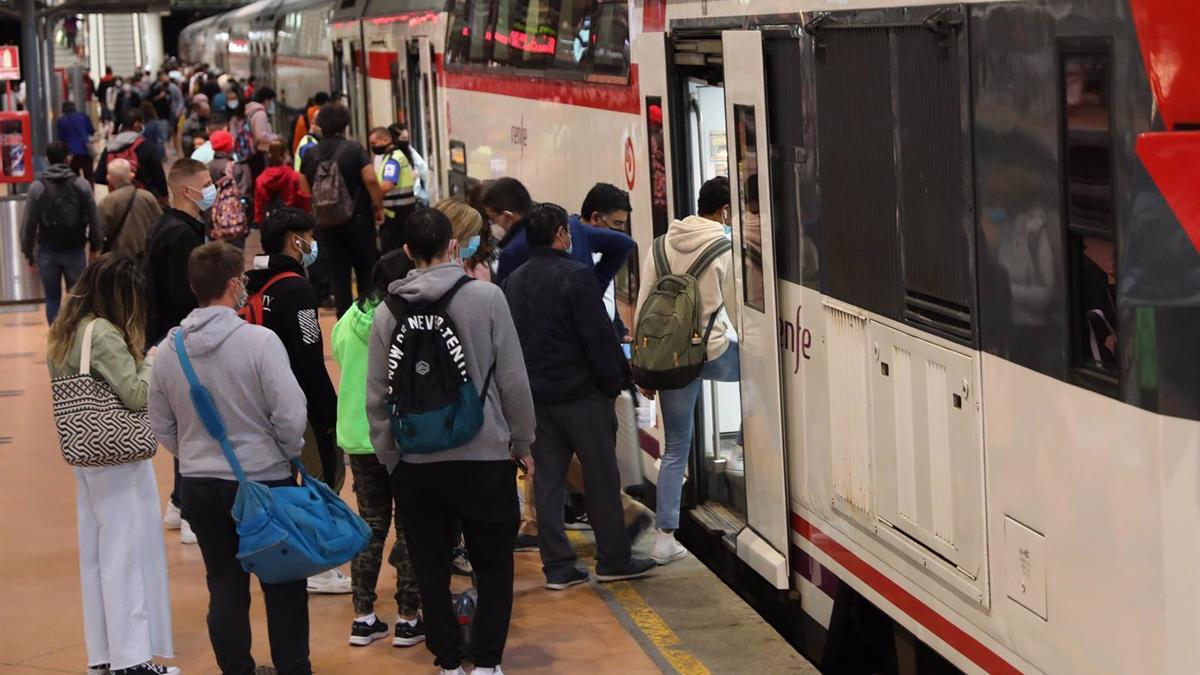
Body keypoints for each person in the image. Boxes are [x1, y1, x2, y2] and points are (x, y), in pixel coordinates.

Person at [366, 208, 535, 675]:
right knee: (493, 563)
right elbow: (513, 380)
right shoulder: (486, 298)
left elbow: (377, 395)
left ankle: (446, 660)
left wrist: (391, 457)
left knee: (430, 566)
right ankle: (486, 662)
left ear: (406, 253)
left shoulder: (387, 310)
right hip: (484, 456)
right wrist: (522, 441)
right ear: (455, 246)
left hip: (417, 462)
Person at [148, 241, 313, 675]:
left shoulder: (168, 351)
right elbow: (291, 413)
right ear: (235, 284)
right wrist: (285, 452)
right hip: (264, 481)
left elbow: (161, 423)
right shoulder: (260, 342)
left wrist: (193, 454)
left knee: (223, 583)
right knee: (283, 584)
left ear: (193, 286)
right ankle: (293, 667)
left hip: (200, 485)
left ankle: (236, 668)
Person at [503, 203, 655, 588]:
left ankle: (558, 567)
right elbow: (597, 337)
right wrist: (614, 383)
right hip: (580, 397)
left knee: (549, 481)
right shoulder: (576, 276)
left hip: (536, 399)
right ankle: (613, 559)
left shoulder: (513, 282)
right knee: (601, 477)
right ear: (559, 234)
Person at [47, 254, 178, 675]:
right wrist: (153, 358)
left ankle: (105, 655)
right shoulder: (102, 332)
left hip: (86, 454)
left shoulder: (66, 331)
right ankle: (132, 660)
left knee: (99, 556)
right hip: (118, 458)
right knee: (128, 554)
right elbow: (137, 394)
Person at [634, 176, 739, 565]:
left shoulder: (660, 245)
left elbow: (646, 305)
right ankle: (747, 444)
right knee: (760, 375)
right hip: (709, 354)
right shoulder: (725, 247)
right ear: (726, 211)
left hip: (671, 360)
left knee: (675, 446)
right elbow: (740, 311)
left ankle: (664, 541)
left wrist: (644, 369)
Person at [333, 250, 424, 648]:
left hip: (357, 435)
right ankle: (408, 617)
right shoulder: (404, 322)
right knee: (410, 525)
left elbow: (340, 357)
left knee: (369, 526)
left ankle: (363, 616)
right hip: (399, 436)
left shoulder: (347, 320)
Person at [298, 103, 386, 317]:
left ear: (319, 126)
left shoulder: (310, 154)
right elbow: (371, 180)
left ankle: (344, 323)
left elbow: (303, 187)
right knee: (366, 274)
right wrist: (379, 207)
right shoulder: (355, 149)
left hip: (327, 225)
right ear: (345, 125)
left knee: (339, 277)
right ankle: (367, 321)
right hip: (359, 221)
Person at [20, 142, 103, 324]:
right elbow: (94, 218)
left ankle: (56, 342)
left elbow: (28, 225)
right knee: (77, 298)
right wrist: (96, 247)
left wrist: (29, 254)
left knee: (52, 299)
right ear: (69, 158)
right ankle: (75, 340)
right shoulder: (81, 184)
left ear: (47, 159)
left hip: (48, 251)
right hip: (75, 249)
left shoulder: (37, 187)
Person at [95, 109, 168, 200]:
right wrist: (164, 196)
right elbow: (158, 176)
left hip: (117, 200)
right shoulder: (147, 146)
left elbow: (99, 178)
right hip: (143, 200)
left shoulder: (110, 148)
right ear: (136, 125)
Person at [98, 158, 162, 258]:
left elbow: (99, 232)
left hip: (120, 257)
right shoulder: (148, 196)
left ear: (109, 178)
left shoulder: (107, 202)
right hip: (147, 254)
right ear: (131, 175)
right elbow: (160, 223)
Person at [369, 126, 416, 253]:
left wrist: (370, 193)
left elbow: (387, 185)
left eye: (374, 143)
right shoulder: (394, 156)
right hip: (402, 213)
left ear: (385, 140)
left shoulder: (393, 160)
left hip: (395, 216)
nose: (373, 147)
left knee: (393, 252)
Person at [434, 198, 490, 282]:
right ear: (455, 234)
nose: (477, 238)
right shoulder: (434, 277)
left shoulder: (473, 266)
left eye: (477, 232)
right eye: (472, 233)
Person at [255, 140, 310, 225]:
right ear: (285, 155)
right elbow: (305, 203)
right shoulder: (295, 177)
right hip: (294, 224)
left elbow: (259, 211)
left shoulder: (260, 180)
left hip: (272, 226)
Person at [389, 123, 430, 205]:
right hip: (397, 200)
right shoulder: (389, 156)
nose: (406, 142)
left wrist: (417, 174)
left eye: (407, 138)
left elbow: (423, 167)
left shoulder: (409, 150)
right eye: (403, 138)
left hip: (414, 195)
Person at [57, 101, 96, 182]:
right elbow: (91, 130)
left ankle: (78, 193)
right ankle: (89, 193)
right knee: (89, 176)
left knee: (74, 177)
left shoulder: (61, 121)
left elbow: (61, 138)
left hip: (71, 153)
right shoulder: (83, 116)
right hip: (85, 151)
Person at [246, 87, 280, 180]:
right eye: (271, 101)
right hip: (259, 151)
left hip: (253, 150)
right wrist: (275, 137)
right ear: (266, 100)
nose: (271, 104)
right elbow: (261, 135)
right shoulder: (260, 114)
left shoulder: (252, 111)